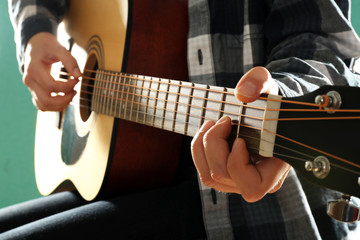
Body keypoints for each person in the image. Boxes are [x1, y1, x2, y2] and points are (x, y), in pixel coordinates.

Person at [2, 0, 360, 239]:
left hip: (257, 213)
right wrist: (35, 33)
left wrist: (281, 94)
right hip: (125, 177)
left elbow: (320, 40)